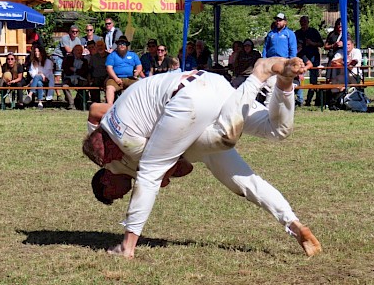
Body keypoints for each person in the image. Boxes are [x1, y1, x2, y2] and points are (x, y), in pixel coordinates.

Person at [83, 57, 322, 259]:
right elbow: (180, 167)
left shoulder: (119, 145)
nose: (121, 196)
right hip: (212, 87)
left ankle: (127, 246)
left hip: (188, 100)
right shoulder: (116, 145)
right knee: (273, 137)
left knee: (164, 165)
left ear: (105, 180)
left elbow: (165, 172)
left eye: (112, 196)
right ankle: (284, 82)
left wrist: (96, 136)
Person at [261, 13, 297, 105]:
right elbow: (265, 47)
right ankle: (268, 105)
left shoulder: (290, 34)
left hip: (283, 61)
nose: (278, 22)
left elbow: (293, 49)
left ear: (285, 22)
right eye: (277, 20)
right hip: (271, 62)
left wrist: (291, 62)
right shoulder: (271, 34)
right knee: (270, 84)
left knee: (283, 84)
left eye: (280, 20)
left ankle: (285, 104)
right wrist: (264, 60)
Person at [294, 16, 324, 106]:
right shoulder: (297, 33)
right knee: (299, 77)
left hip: (313, 57)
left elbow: (321, 44)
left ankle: (309, 100)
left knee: (313, 79)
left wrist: (312, 43)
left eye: (305, 22)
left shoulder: (313, 31)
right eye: (301, 22)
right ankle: (300, 99)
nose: (303, 23)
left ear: (308, 22)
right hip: (301, 57)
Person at [104, 35, 142, 104]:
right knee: (109, 87)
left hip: (130, 78)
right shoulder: (112, 55)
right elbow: (109, 68)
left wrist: (137, 72)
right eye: (120, 43)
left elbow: (139, 66)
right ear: (117, 45)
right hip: (115, 78)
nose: (122, 45)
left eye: (124, 43)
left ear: (127, 46)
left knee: (139, 86)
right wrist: (116, 79)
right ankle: (109, 106)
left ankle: (137, 106)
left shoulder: (133, 55)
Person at [24, 44, 53, 108]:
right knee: (39, 82)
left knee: (37, 77)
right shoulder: (33, 62)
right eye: (35, 51)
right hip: (37, 79)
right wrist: (38, 75)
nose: (37, 53)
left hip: (47, 79)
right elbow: (32, 72)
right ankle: (40, 102)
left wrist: (41, 74)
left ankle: (30, 94)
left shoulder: (48, 61)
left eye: (38, 51)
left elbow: (48, 73)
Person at [62, 44, 89, 110]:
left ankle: (78, 100)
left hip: (80, 79)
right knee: (64, 86)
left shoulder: (85, 61)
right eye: (77, 50)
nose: (79, 52)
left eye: (80, 50)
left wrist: (74, 69)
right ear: (73, 51)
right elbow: (66, 70)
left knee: (84, 85)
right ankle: (71, 103)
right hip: (69, 77)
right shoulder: (68, 59)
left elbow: (84, 72)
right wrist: (77, 71)